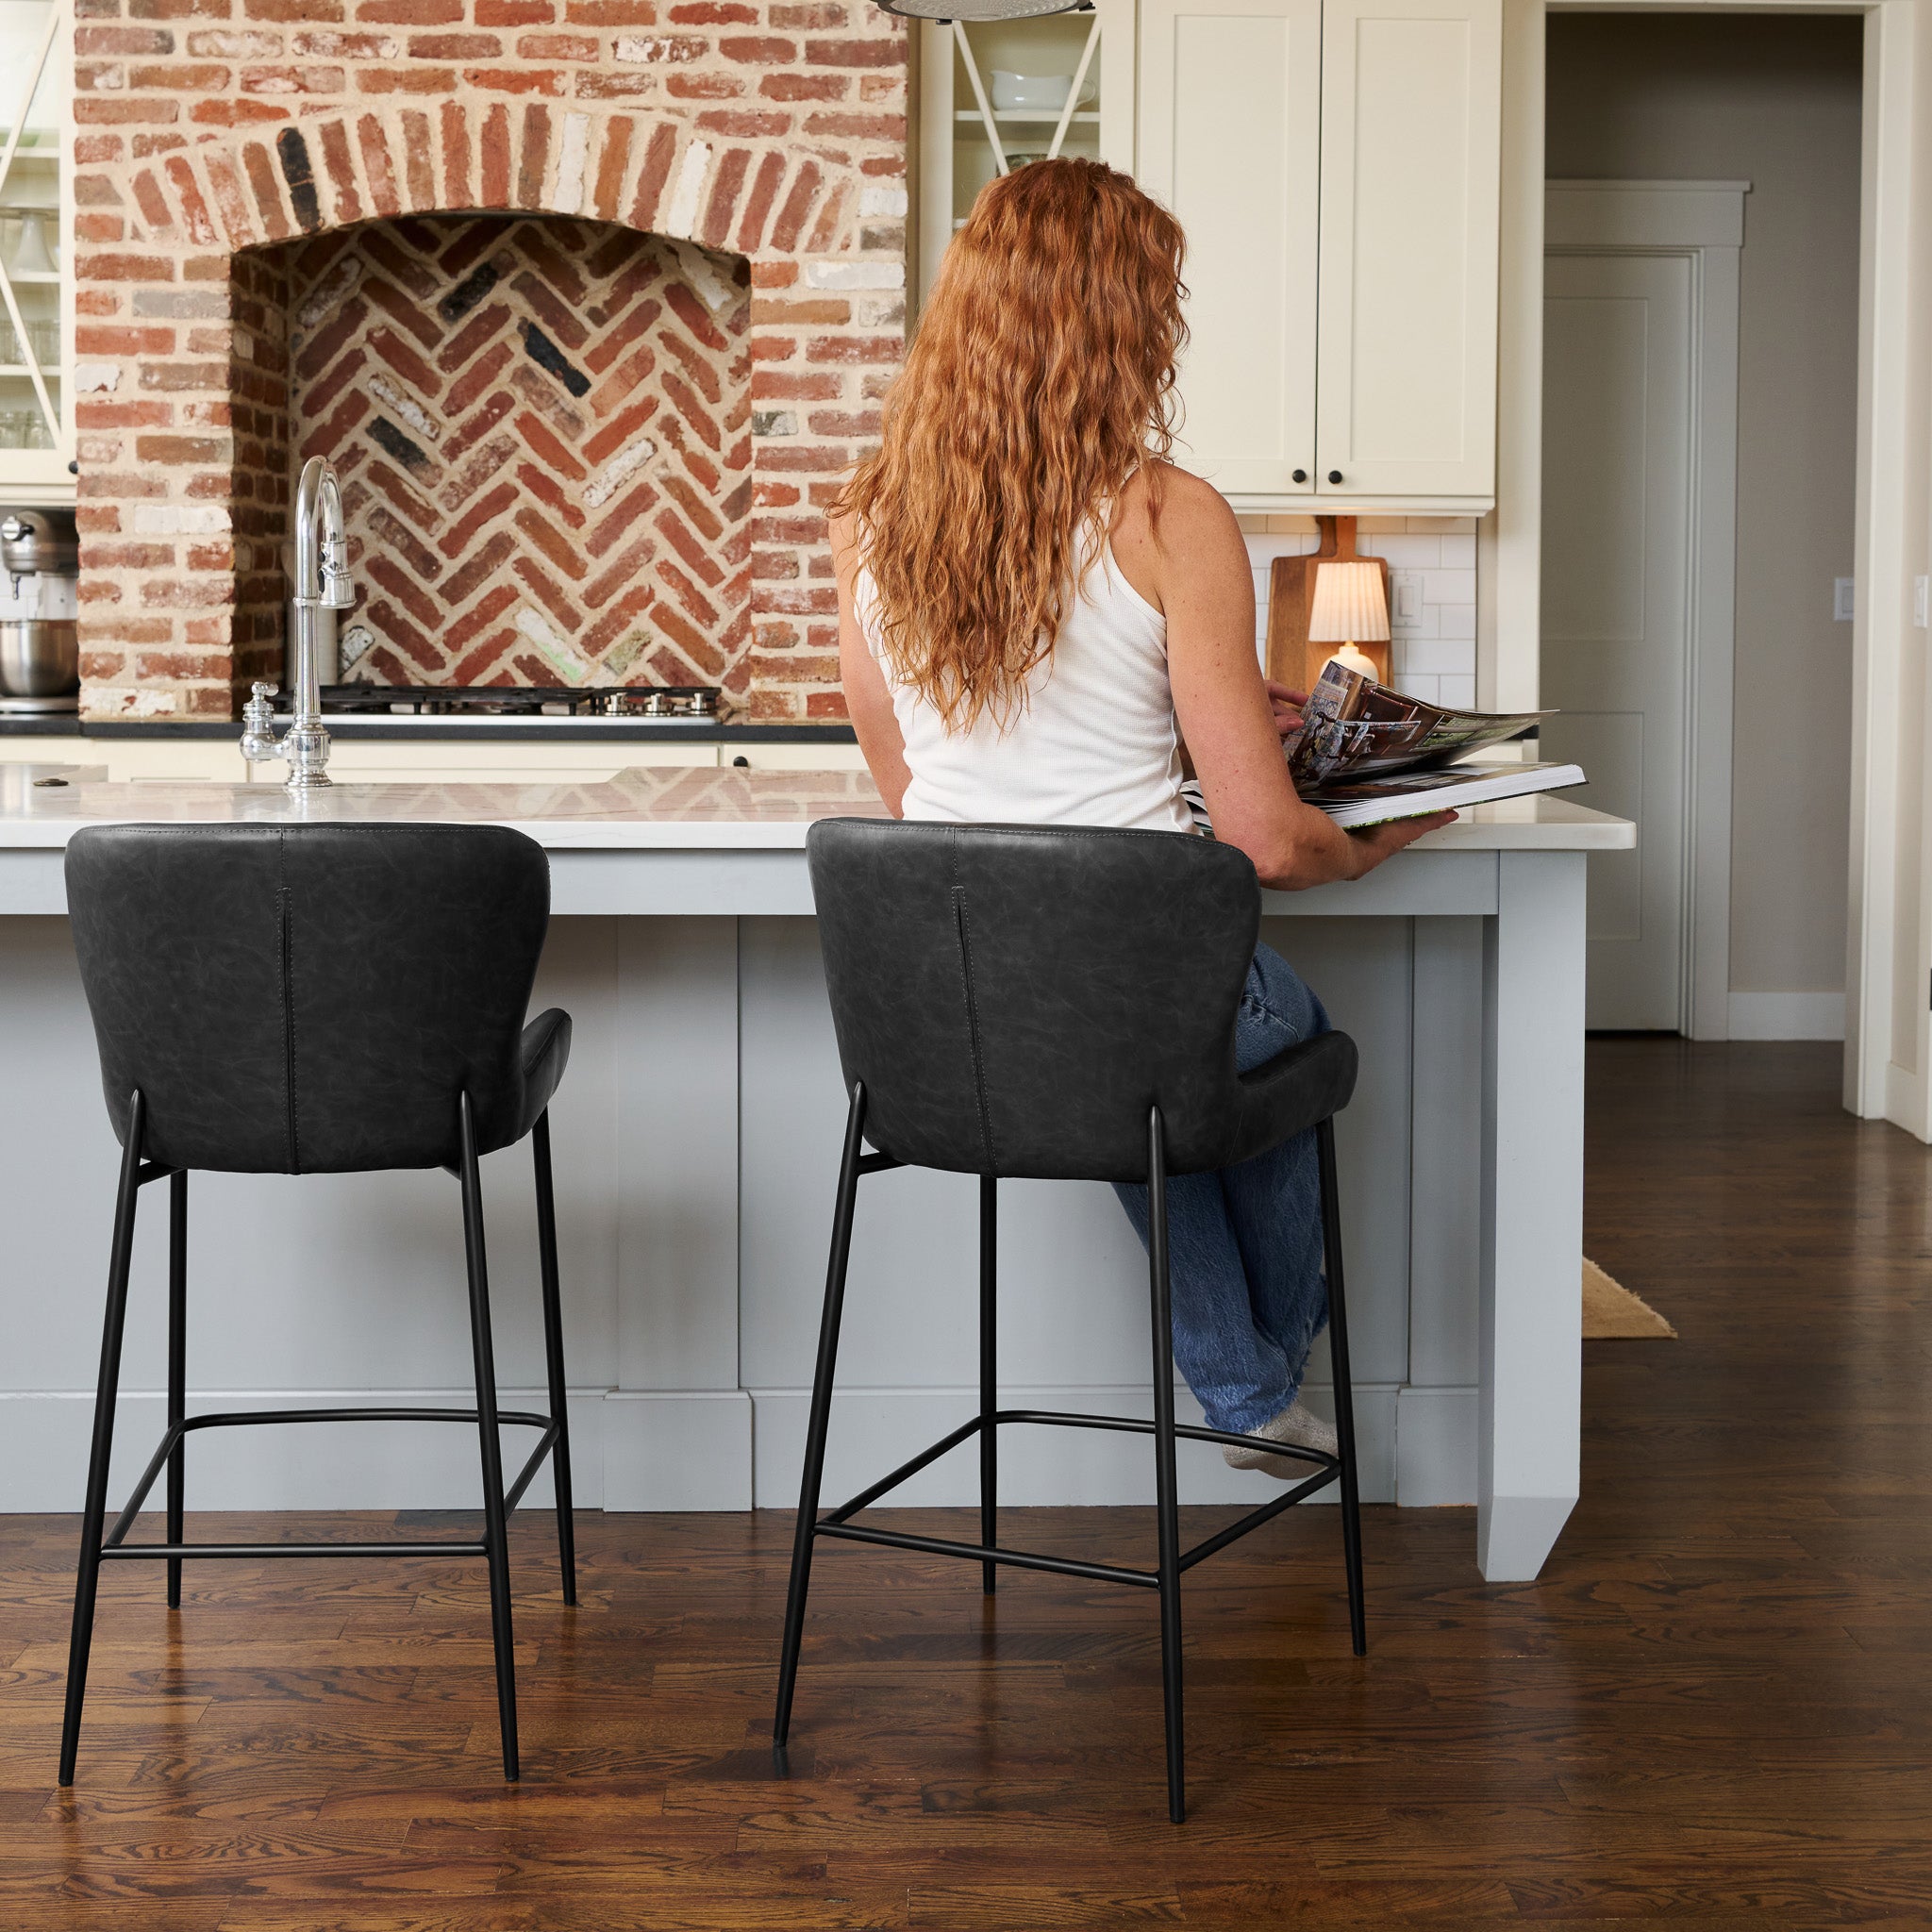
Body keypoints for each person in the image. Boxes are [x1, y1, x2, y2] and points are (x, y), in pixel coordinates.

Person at [830, 157, 1453, 1475]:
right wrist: (1379, 838)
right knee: (1249, 1033)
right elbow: (1266, 845)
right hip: (1129, 994)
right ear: (1121, 322)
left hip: (952, 1008)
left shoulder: (871, 518)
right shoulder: (1168, 513)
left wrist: (1182, 713)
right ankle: (1257, 1380)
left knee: (1131, 1065)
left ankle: (1249, 1393)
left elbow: (911, 785)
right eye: (1159, 300)